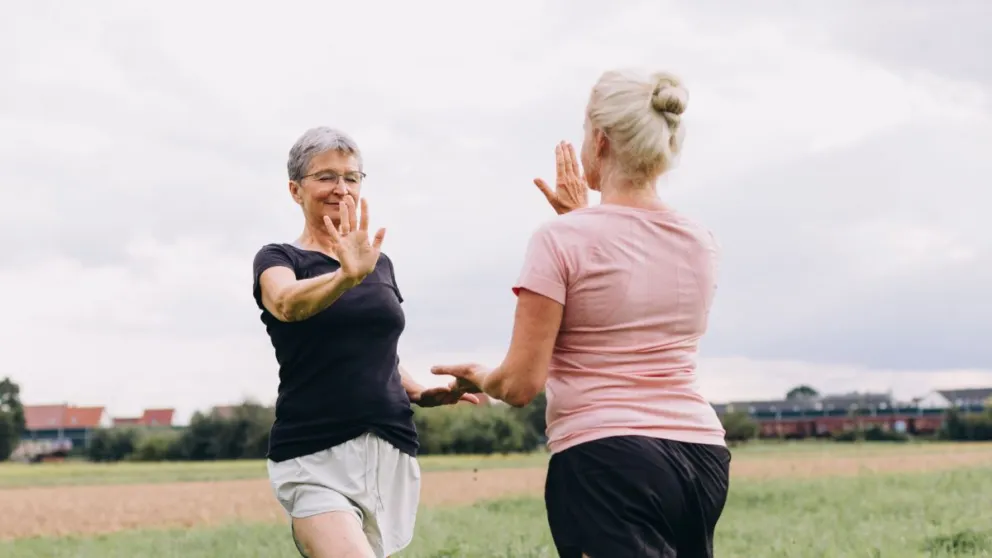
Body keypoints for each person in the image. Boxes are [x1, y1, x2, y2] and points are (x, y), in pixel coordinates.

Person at [432, 70, 731, 557]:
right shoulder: (701, 241)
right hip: (702, 457)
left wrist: (478, 374)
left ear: (601, 140)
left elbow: (520, 385)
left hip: (607, 460)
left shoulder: (560, 240)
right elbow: (627, 294)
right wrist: (582, 221)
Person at [252, 126, 477, 558]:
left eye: (351, 177)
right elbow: (285, 303)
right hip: (314, 453)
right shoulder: (279, 258)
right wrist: (344, 277)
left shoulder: (379, 263)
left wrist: (423, 392)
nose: (341, 188)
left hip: (390, 448)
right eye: (326, 177)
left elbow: (378, 351)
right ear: (295, 190)